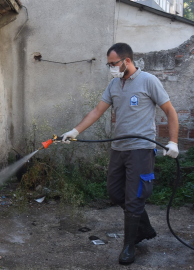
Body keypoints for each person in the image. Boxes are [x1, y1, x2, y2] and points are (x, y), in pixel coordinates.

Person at [61, 43, 179, 265]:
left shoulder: (149, 81)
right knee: (115, 193)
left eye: (113, 64)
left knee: (134, 197)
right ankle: (143, 227)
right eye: (109, 65)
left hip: (141, 150)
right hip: (119, 149)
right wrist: (75, 131)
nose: (111, 68)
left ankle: (129, 246)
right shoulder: (114, 85)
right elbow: (98, 110)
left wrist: (172, 142)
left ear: (127, 61)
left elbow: (170, 111)